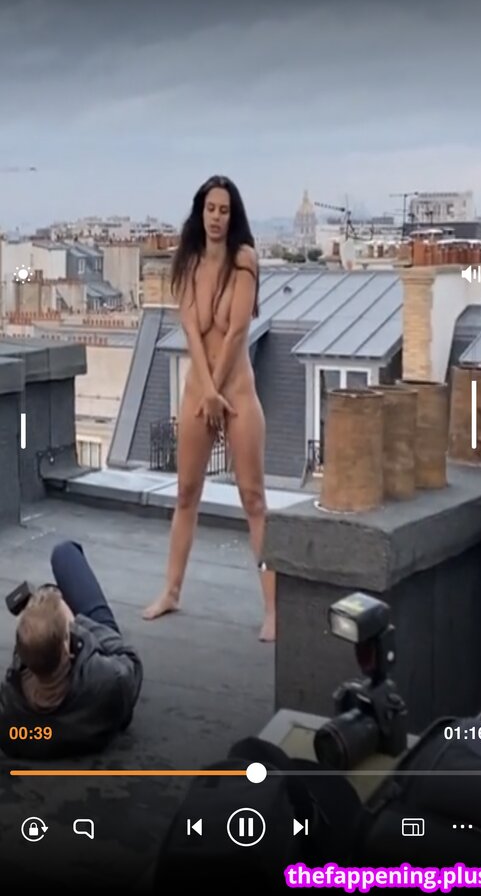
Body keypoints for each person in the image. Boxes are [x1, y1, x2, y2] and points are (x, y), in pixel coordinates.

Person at [143, 175, 275, 641]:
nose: (216, 217)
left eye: (224, 210)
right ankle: (171, 591)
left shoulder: (245, 260)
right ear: (200, 212)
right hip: (200, 394)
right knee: (186, 493)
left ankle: (273, 609)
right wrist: (206, 392)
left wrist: (218, 392)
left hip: (236, 394)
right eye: (210, 208)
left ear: (232, 215)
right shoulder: (188, 262)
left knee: (253, 498)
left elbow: (237, 332)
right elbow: (191, 332)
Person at [0, 540, 143, 758]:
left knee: (47, 595)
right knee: (64, 552)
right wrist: (78, 625)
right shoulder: (110, 681)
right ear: (67, 646)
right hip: (96, 690)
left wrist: (37, 626)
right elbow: (130, 660)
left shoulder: (9, 714)